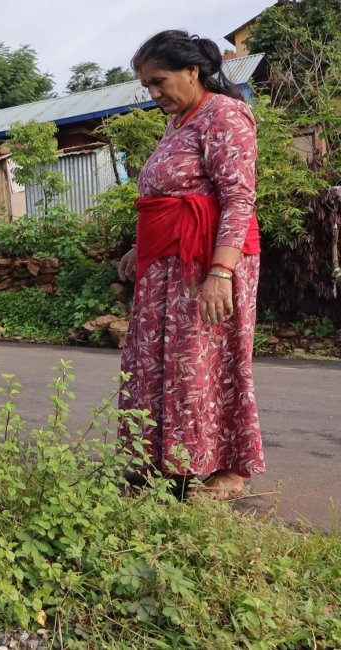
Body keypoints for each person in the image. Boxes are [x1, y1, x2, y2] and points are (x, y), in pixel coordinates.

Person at [117, 30, 264, 499]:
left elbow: (238, 198)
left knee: (204, 364)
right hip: (169, 263)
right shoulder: (179, 123)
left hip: (209, 263)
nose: (155, 94)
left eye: (160, 82)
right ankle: (168, 461)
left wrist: (220, 274)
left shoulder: (225, 115)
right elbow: (168, 198)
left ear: (192, 72)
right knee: (159, 363)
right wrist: (141, 248)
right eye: (147, 87)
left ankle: (228, 470)